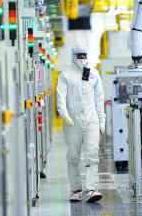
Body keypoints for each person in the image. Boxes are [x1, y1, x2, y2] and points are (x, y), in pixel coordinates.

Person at [56, 47, 106, 203]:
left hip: (91, 120)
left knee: (92, 154)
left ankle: (91, 188)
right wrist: (65, 115)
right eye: (79, 56)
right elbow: (60, 98)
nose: (82, 58)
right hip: (73, 122)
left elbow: (99, 98)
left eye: (84, 55)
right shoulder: (66, 75)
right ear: (73, 56)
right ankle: (76, 189)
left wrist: (102, 120)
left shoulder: (93, 74)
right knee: (73, 156)